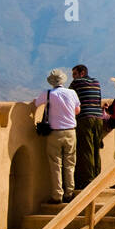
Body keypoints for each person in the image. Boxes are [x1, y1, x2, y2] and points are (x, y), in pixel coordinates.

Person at [34, 70, 80, 203]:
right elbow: (77, 110)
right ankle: (69, 193)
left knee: (55, 164)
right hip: (71, 131)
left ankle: (57, 195)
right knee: (70, 163)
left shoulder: (48, 93)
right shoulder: (72, 93)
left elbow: (36, 104)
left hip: (55, 133)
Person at [69, 64, 105, 190]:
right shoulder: (96, 82)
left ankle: (88, 181)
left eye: (74, 74)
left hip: (85, 118)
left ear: (82, 72)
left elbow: (70, 99)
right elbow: (98, 100)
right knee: (96, 149)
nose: (73, 77)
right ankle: (97, 178)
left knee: (86, 149)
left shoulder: (76, 83)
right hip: (98, 119)